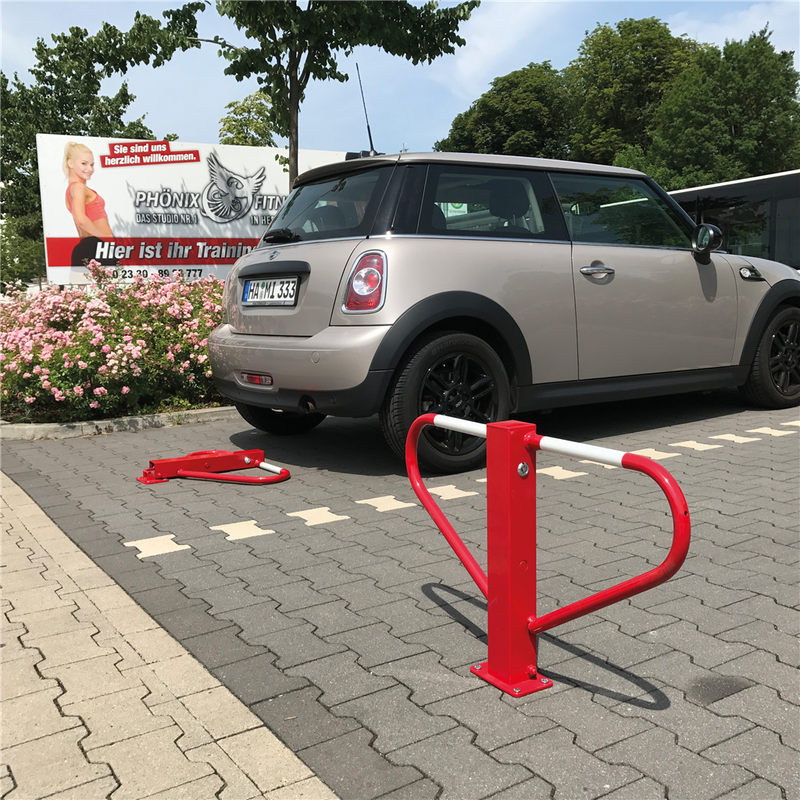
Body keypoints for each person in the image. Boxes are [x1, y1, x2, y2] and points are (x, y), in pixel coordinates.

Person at [63, 142, 115, 267]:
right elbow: (80, 219)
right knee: (112, 286)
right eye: (84, 164)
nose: (90, 169)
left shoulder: (70, 190)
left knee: (77, 286)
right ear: (70, 163)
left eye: (92, 165)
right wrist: (106, 239)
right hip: (98, 248)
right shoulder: (78, 188)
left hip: (85, 248)